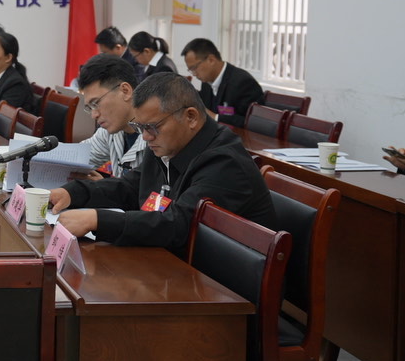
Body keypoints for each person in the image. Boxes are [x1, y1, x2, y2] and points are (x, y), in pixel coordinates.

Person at [48, 72, 275, 251]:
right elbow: (130, 187)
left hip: (221, 284)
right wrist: (73, 193)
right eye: (140, 127)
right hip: (176, 264)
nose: (146, 137)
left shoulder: (225, 163)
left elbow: (179, 224)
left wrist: (98, 220)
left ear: (191, 117)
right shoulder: (167, 144)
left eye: (152, 127)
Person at [72, 54, 146, 179]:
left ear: (125, 91)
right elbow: (75, 158)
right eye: (90, 107)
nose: (94, 115)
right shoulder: (109, 132)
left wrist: (105, 187)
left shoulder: (158, 137)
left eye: (96, 103)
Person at [180, 38, 263, 127]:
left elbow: (252, 122)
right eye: (190, 70)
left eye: (194, 68)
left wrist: (216, 117)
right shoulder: (206, 81)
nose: (194, 74)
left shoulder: (243, 82)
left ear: (211, 60)